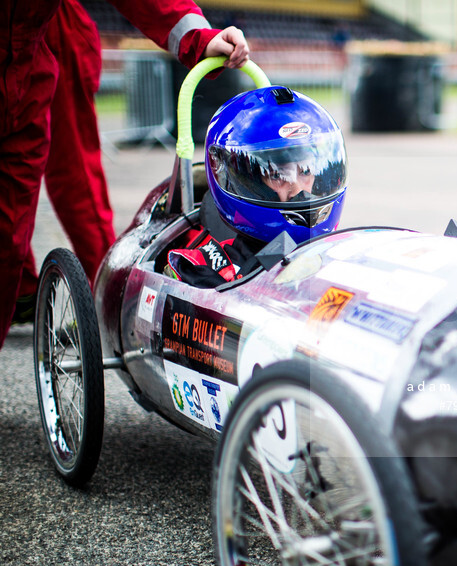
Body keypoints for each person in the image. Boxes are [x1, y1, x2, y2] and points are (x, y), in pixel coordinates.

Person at [0, 0, 249, 349]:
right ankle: (77, 292)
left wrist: (199, 37)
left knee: (12, 233)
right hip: (33, 56)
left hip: (28, 68)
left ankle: (91, 293)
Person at [163, 86, 348, 288]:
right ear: (250, 183)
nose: (298, 190)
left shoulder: (340, 252)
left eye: (305, 171)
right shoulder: (203, 270)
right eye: (278, 175)